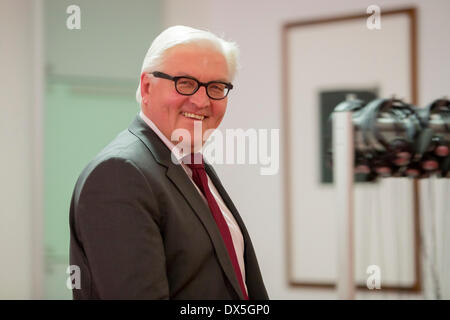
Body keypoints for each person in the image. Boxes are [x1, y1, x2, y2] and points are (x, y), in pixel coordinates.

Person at [69, 25, 268, 300]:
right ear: (147, 87)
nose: (201, 100)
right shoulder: (119, 174)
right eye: (185, 82)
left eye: (216, 87)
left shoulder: (191, 165)